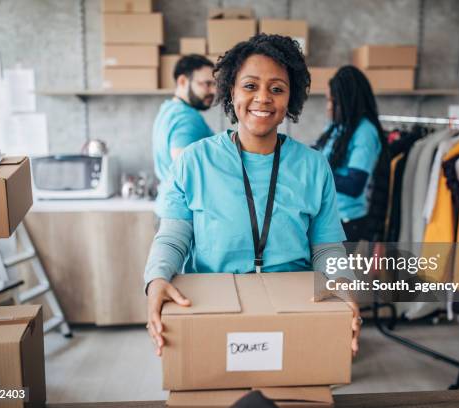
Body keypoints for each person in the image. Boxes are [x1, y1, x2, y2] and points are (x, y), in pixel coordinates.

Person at [144, 34, 360, 357]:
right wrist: (156, 279)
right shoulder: (194, 162)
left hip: (295, 309)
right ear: (231, 90)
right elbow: (174, 238)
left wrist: (342, 282)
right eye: (250, 86)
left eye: (277, 88)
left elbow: (326, 246)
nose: (263, 98)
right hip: (213, 307)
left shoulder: (314, 167)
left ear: (291, 98)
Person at [314, 66, 390, 242]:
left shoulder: (365, 132)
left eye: (334, 101)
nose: (328, 107)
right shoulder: (335, 126)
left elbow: (354, 185)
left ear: (348, 101)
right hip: (326, 217)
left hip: (347, 223)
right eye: (328, 100)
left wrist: (316, 172)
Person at [152, 54, 216, 185]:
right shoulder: (186, 118)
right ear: (182, 81)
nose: (213, 91)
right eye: (207, 84)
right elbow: (186, 174)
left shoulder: (168, 109)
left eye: (214, 84)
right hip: (186, 203)